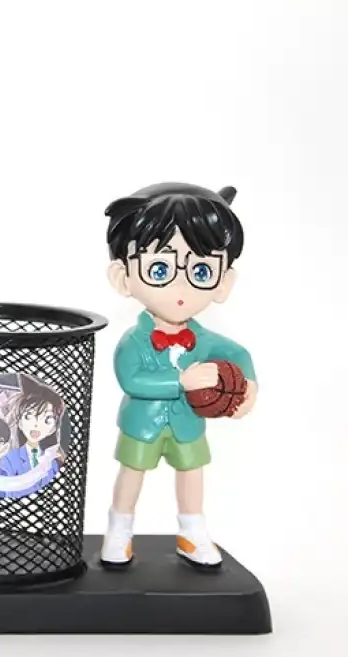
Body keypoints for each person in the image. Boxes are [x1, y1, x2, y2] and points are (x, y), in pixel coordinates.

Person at [100, 182, 257, 569]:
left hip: (188, 424)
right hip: (142, 425)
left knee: (192, 473)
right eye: (160, 269)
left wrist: (248, 387)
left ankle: (192, 531)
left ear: (223, 283)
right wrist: (181, 382)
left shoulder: (204, 339)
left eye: (201, 270)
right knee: (132, 473)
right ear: (123, 278)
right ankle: (119, 529)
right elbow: (131, 380)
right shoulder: (133, 340)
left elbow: (239, 354)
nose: (180, 286)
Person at [0, 375, 67, 498]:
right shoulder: (10, 459)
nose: (36, 425)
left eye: (47, 419)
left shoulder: (54, 460)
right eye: (29, 417)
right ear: (19, 422)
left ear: (53, 428)